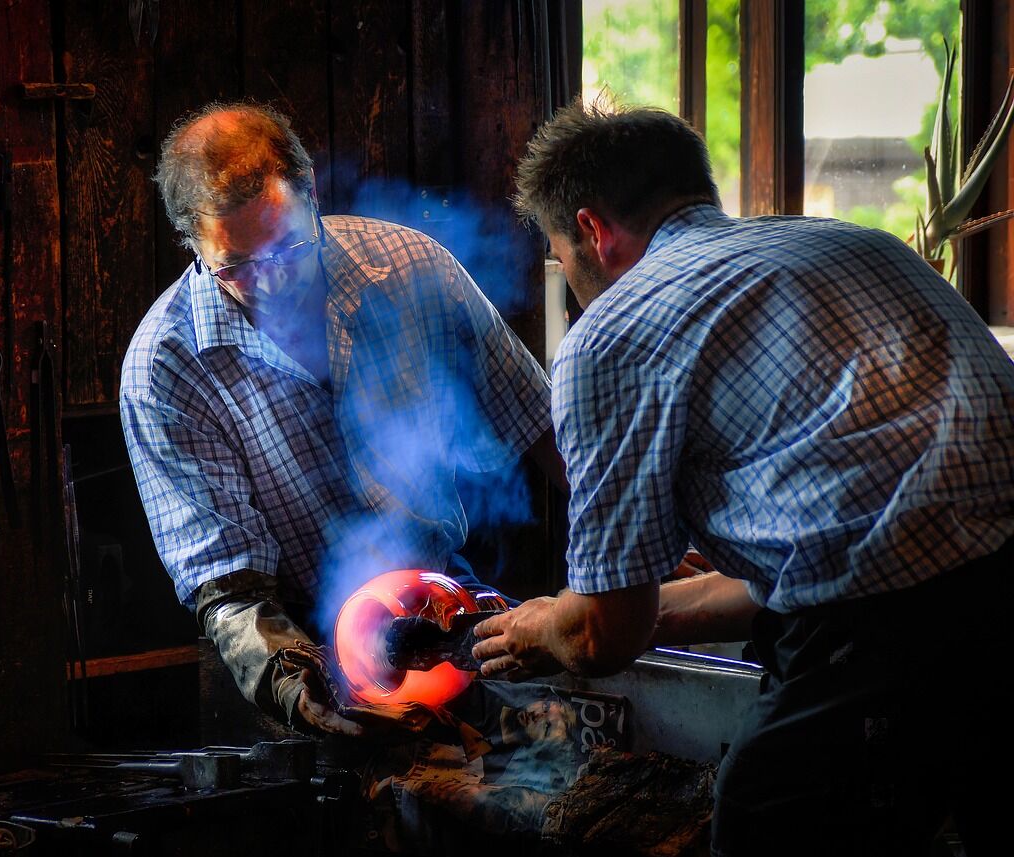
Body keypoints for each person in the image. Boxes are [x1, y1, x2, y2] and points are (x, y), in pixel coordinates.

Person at [471, 98, 1014, 856]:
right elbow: (814, 563)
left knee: (764, 809)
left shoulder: (611, 335)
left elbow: (605, 635)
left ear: (591, 230)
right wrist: (578, 612)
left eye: (563, 257)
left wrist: (551, 624)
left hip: (894, 630)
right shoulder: (859, 246)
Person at [121, 101, 562, 738]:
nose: (271, 285)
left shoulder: (411, 269)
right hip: (293, 641)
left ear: (312, 196)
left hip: (440, 596)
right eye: (237, 268)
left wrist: (635, 541)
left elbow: (539, 420)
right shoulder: (165, 370)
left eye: (286, 249)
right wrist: (302, 691)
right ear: (193, 245)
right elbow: (232, 592)